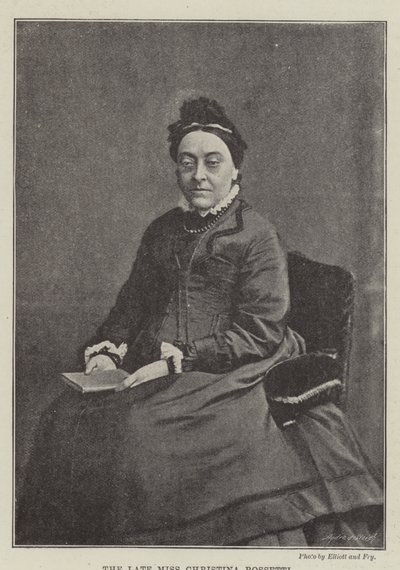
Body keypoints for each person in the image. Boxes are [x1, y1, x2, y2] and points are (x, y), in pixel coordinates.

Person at [17, 97, 382, 546]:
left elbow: (261, 330)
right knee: (63, 417)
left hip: (232, 365)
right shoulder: (163, 229)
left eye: (212, 162)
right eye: (187, 163)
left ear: (235, 169)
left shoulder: (257, 233)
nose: (199, 175)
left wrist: (179, 360)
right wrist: (108, 352)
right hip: (153, 361)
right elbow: (131, 306)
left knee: (139, 432)